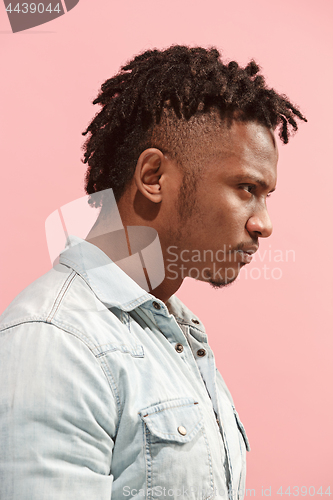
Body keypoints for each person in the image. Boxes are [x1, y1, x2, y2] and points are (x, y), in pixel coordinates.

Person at [0, 46, 306, 500]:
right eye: (247, 188)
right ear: (154, 176)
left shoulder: (179, 339)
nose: (263, 222)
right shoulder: (57, 341)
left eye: (266, 196)